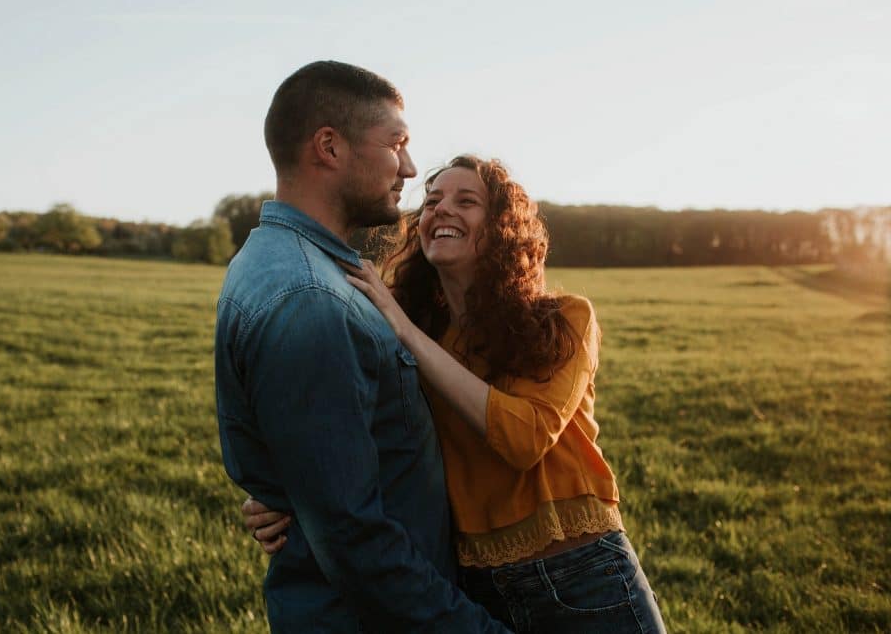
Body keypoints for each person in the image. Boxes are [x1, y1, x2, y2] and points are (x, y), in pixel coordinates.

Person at [245, 155, 667, 633]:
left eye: (466, 201)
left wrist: (404, 330)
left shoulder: (565, 320)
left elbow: (524, 439)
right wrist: (292, 496)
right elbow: (367, 433)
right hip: (473, 588)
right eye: (431, 202)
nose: (441, 211)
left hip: (583, 579)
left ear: (504, 228)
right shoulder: (416, 332)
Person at [214, 62, 509, 632]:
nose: (409, 167)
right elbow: (354, 539)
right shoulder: (308, 297)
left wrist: (292, 494)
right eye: (395, 143)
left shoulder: (300, 269)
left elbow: (326, 474)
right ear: (329, 147)